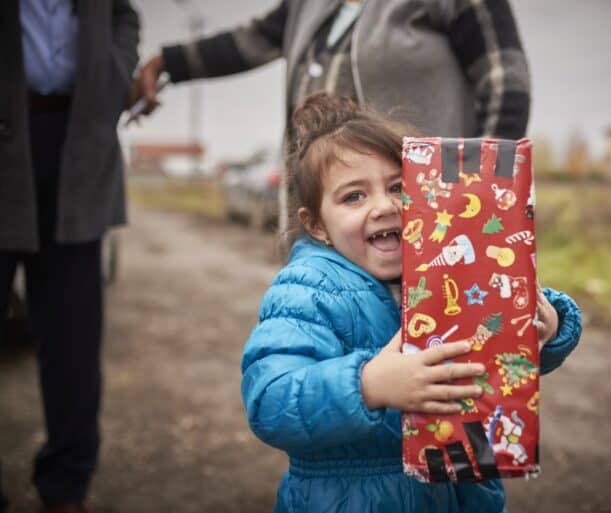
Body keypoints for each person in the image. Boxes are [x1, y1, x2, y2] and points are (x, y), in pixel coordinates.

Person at [240, 92, 582, 513]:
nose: (384, 206)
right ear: (317, 225)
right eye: (354, 197)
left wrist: (545, 326)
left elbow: (493, 357)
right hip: (351, 499)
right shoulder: (307, 289)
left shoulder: (442, 267)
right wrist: (367, 386)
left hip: (463, 493)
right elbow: (270, 402)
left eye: (398, 187)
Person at [130, 0, 532, 231]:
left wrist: (480, 190)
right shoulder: (310, 4)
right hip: (333, 224)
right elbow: (250, 42)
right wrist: (169, 63)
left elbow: (505, 80)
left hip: (425, 219)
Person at [0, 1, 140, 511]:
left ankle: (65, 487)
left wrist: (116, 68)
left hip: (77, 150)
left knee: (74, 344)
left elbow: (124, 16)